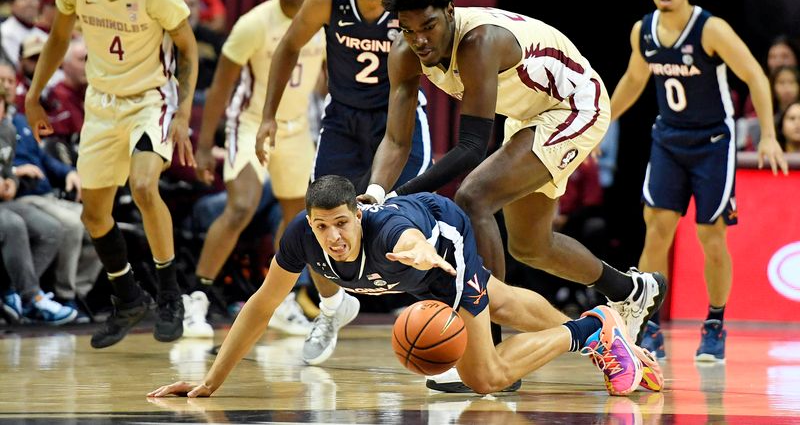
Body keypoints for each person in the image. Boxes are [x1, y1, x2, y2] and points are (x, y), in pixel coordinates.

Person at [361, 0, 665, 387]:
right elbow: (396, 141)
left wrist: (405, 196)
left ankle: (490, 350)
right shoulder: (405, 54)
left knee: (474, 199)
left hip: (575, 105)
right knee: (530, 245)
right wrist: (377, 193)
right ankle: (632, 290)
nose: (420, 40)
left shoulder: (479, 42)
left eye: (428, 26)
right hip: (529, 114)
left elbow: (470, 148)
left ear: (450, 10)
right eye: (409, 31)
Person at [148, 175, 663, 398]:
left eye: (343, 224)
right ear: (309, 222)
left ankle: (593, 328)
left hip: (442, 235)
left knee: (486, 378)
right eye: (323, 226)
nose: (334, 237)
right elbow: (260, 308)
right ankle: (619, 347)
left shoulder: (388, 233)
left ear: (357, 215)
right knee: (502, 301)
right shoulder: (302, 239)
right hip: (416, 261)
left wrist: (423, 252)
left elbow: (411, 238)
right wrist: (211, 382)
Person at [256, 0, 433, 366]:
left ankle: (435, 314)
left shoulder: (410, 4)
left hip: (399, 123)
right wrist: (268, 117)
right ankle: (333, 309)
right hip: (343, 121)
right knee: (319, 216)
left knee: (406, 216)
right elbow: (287, 47)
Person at [23, 0, 199, 348]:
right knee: (93, 213)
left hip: (149, 100)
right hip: (101, 103)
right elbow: (59, 38)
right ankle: (126, 296)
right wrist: (32, 94)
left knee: (143, 187)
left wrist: (183, 112)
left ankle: (170, 295)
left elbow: (188, 49)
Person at [608, 0, 788, 362]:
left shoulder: (710, 28)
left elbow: (755, 75)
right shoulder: (644, 31)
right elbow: (634, 80)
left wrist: (769, 136)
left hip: (712, 142)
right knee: (656, 229)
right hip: (667, 139)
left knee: (710, 236)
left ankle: (714, 324)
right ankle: (648, 324)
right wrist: (604, 123)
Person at [189, 0, 325, 336]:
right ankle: (196, 299)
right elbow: (220, 86)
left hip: (297, 128)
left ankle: (282, 301)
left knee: (298, 219)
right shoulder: (254, 23)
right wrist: (202, 145)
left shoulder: (322, 20)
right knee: (242, 205)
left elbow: (326, 75)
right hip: (249, 123)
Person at [0, 82, 78, 325]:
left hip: (4, 203)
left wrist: (10, 180)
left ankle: (10, 292)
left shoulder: (8, 130)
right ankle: (31, 296)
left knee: (51, 228)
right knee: (13, 225)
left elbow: (7, 170)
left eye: (1, 105)